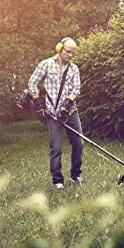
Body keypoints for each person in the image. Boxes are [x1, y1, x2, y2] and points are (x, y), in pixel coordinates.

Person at [28, 37, 84, 189]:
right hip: (52, 113)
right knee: (56, 147)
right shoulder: (45, 64)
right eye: (68, 51)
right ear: (59, 48)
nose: (71, 55)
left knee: (79, 144)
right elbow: (32, 83)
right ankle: (58, 180)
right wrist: (38, 102)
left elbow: (76, 89)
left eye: (73, 53)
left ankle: (76, 174)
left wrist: (67, 104)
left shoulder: (74, 69)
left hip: (70, 112)